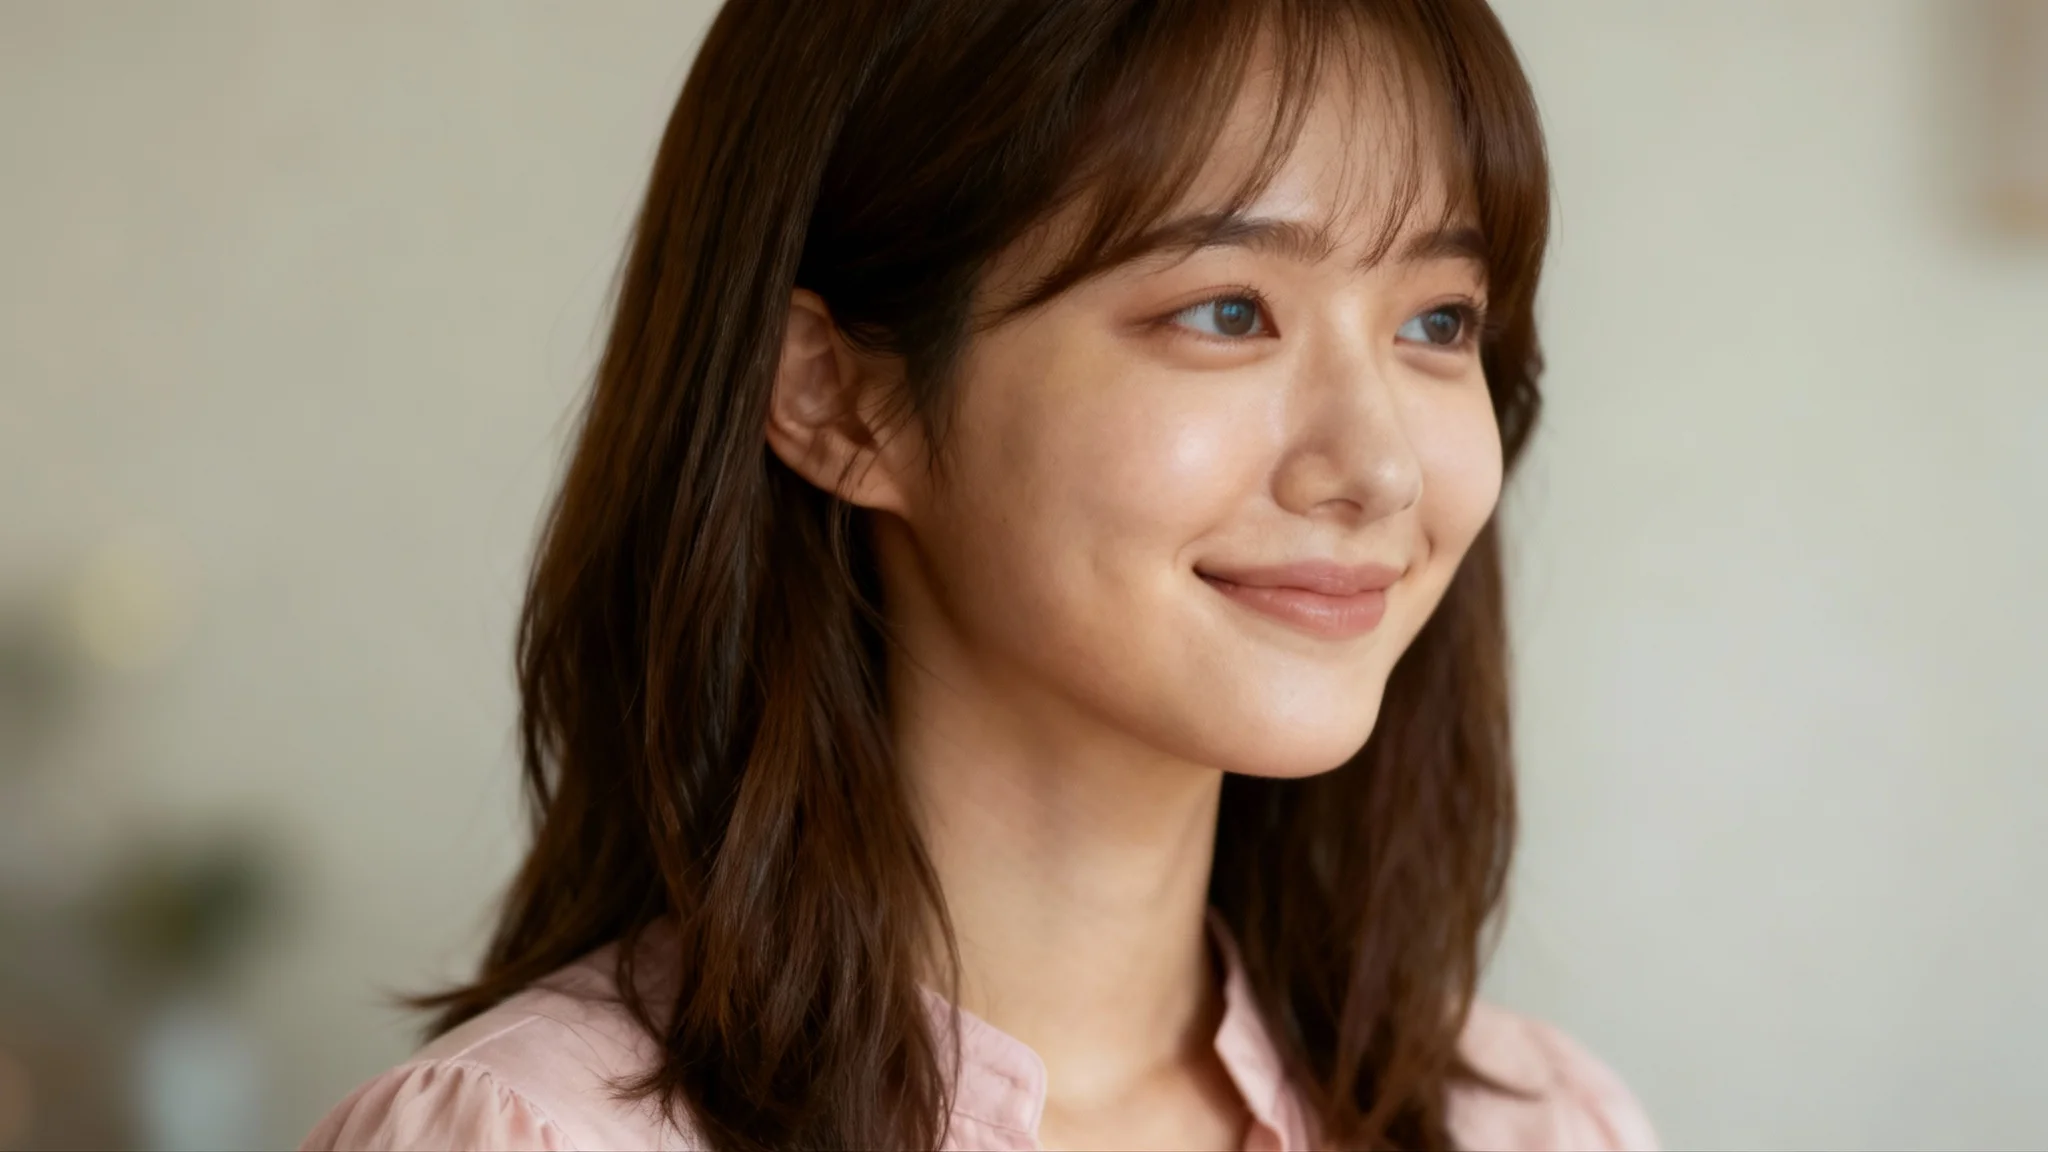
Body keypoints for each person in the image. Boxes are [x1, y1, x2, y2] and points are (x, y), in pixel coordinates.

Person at [304, 0, 1658, 1148]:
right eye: (1228, 311)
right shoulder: (527, 1136)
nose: (1381, 470)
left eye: (1438, 322)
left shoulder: (1540, 1125)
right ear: (837, 397)